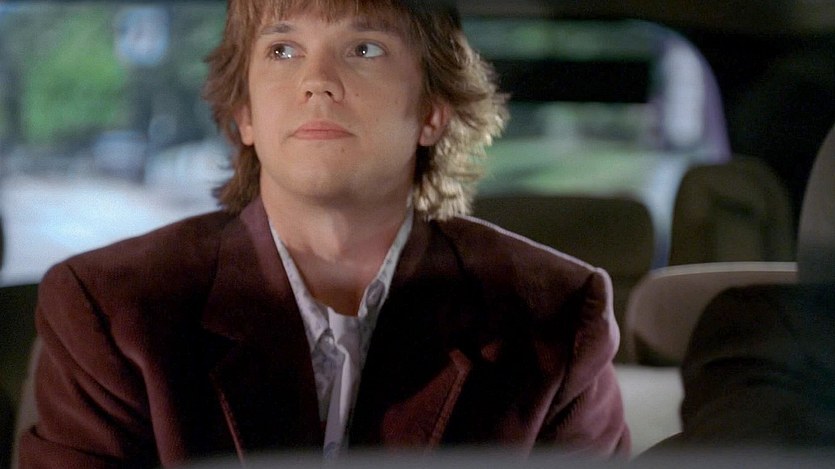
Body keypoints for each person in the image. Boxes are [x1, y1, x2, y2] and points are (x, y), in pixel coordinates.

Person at [18, 0, 629, 467]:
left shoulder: (553, 314)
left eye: (364, 48)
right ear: (246, 114)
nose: (317, 81)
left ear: (431, 112)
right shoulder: (114, 308)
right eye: (283, 50)